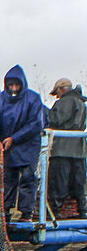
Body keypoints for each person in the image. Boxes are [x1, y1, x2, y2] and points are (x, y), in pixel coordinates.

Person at [0, 65, 48, 220]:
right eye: (11, 85)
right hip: (6, 146)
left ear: (22, 84)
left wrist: (15, 138)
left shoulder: (33, 98)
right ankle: (5, 212)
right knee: (7, 179)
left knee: (27, 177)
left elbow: (35, 124)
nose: (14, 88)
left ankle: (26, 212)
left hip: (28, 145)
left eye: (17, 85)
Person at [47, 78, 86, 218]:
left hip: (62, 149)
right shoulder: (81, 102)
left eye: (57, 93)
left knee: (59, 182)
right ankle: (82, 211)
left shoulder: (65, 101)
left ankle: (55, 213)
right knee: (79, 184)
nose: (57, 97)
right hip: (79, 150)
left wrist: (46, 113)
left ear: (61, 89)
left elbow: (55, 120)